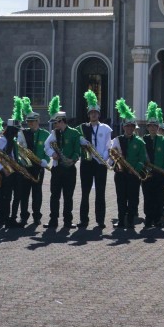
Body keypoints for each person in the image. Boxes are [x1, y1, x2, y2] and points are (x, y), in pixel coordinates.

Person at [44, 97, 86, 230]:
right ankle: (53, 220)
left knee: (68, 196)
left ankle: (68, 221)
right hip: (57, 168)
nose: (54, 125)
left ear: (61, 121)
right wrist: (52, 154)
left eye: (56, 123)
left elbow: (77, 150)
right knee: (54, 195)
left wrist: (72, 159)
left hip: (69, 169)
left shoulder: (74, 133)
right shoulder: (54, 133)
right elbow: (46, 146)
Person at [110, 100, 148, 230]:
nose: (129, 128)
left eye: (132, 126)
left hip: (134, 174)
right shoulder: (117, 140)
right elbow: (111, 155)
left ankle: (130, 220)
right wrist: (115, 164)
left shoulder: (140, 142)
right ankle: (121, 220)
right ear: (124, 127)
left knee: (133, 198)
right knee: (121, 198)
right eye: (127, 126)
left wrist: (136, 169)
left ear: (134, 128)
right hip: (121, 174)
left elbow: (142, 158)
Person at [77, 90, 112, 229]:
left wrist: (103, 157)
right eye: (91, 113)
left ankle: (100, 220)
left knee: (100, 193)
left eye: (95, 113)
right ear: (88, 114)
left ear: (99, 114)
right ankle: (83, 220)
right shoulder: (82, 128)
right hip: (86, 162)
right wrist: (80, 140)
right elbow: (75, 139)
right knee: (85, 192)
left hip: (100, 163)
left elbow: (108, 146)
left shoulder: (105, 128)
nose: (93, 115)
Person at [142, 103, 164, 229]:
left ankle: (158, 217)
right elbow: (141, 156)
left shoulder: (163, 141)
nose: (153, 128)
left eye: (155, 126)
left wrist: (163, 167)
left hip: (159, 173)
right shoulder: (143, 140)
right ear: (147, 127)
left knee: (159, 197)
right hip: (147, 173)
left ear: (158, 127)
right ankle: (148, 218)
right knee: (148, 196)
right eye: (150, 126)